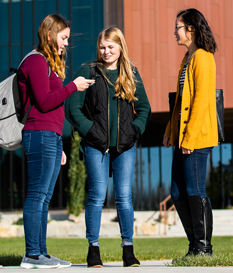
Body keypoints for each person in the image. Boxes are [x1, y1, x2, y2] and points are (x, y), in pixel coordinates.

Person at [66, 27, 151, 268]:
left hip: (124, 146)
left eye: (111, 47)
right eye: (102, 47)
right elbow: (73, 108)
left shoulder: (130, 73)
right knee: (96, 196)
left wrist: (134, 131)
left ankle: (128, 250)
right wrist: (89, 131)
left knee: (124, 197)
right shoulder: (89, 71)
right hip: (95, 145)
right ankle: (93, 249)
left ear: (120, 47)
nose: (106, 51)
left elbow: (144, 109)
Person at [18, 14, 94, 269]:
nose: (66, 44)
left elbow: (54, 109)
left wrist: (59, 144)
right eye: (63, 38)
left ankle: (41, 253)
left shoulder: (49, 63)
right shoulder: (36, 62)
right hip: (38, 134)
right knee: (37, 195)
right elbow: (45, 102)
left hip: (49, 135)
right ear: (50, 34)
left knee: (45, 196)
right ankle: (32, 254)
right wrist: (73, 86)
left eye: (68, 39)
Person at [162, 8, 218, 257]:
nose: (175, 31)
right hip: (183, 138)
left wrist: (191, 138)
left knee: (195, 191)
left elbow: (202, 100)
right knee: (177, 192)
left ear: (191, 29)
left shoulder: (203, 58)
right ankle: (194, 244)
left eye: (178, 27)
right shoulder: (188, 59)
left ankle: (203, 247)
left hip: (196, 138)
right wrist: (169, 131)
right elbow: (180, 103)